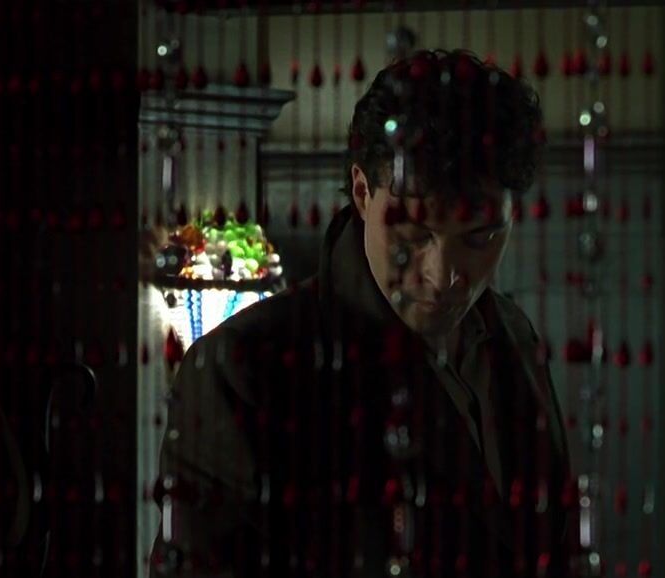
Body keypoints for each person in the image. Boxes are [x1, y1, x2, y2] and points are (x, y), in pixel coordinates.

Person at [150, 49, 571, 578]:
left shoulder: (512, 334)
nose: (445, 276)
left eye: (480, 237)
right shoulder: (248, 368)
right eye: (414, 235)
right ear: (362, 192)